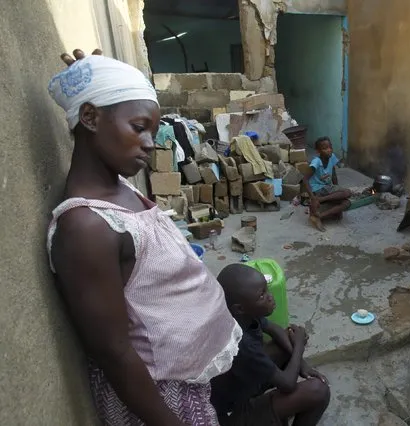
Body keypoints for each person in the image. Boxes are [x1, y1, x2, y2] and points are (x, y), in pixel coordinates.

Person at [47, 49, 242, 425]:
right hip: (160, 399)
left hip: (187, 373)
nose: (151, 144)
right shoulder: (86, 228)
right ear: (89, 117)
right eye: (139, 127)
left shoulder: (116, 186)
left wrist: (97, 78)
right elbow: (114, 352)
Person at [211, 264, 331, 426]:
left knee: (285, 342)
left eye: (267, 289)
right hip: (230, 415)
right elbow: (288, 384)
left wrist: (301, 364)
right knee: (319, 391)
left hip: (239, 386)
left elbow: (273, 329)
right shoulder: (242, 345)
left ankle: (277, 412)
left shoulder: (238, 316)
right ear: (239, 308)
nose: (270, 297)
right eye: (261, 296)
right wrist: (299, 347)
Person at [303, 137, 351, 231]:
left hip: (327, 188)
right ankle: (319, 199)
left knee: (347, 202)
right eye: (325, 148)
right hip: (318, 189)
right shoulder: (316, 162)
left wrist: (337, 189)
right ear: (318, 151)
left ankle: (319, 216)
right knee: (347, 192)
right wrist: (313, 197)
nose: (329, 150)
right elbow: (305, 179)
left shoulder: (332, 156)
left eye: (330, 147)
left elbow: (334, 175)